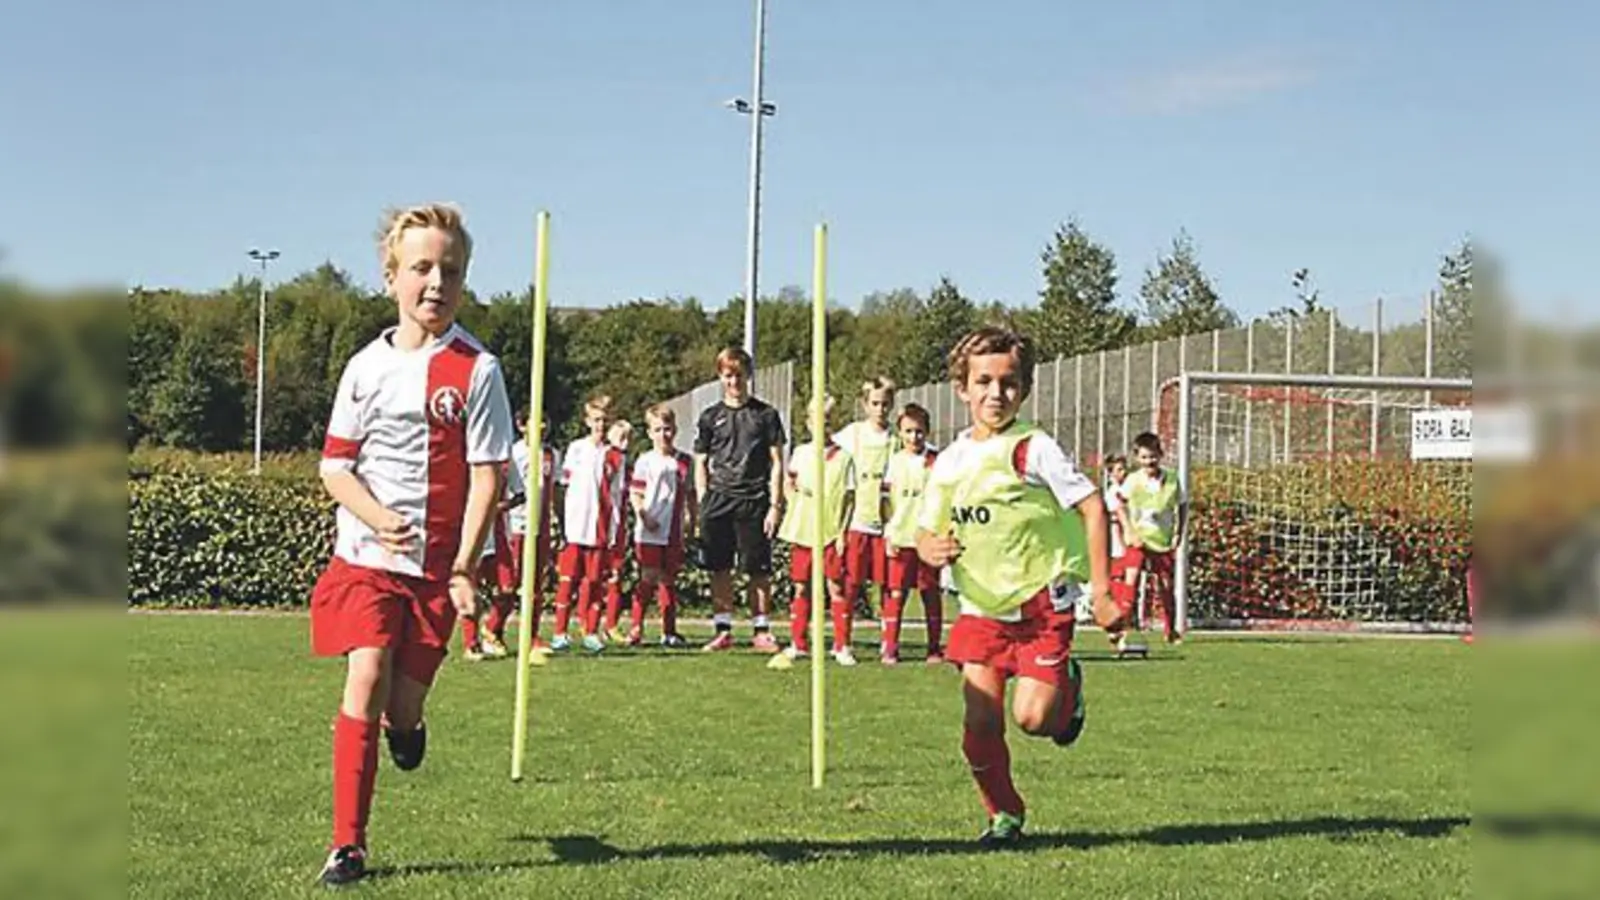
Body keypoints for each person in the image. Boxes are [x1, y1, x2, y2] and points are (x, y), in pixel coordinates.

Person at [308, 202, 513, 885]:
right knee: (364, 673)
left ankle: (408, 728)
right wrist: (375, 516)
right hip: (367, 561)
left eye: (449, 271)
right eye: (421, 268)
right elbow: (335, 467)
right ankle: (348, 845)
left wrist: (462, 563)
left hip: (435, 574)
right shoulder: (364, 369)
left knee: (402, 703)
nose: (436, 283)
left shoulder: (478, 371)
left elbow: (488, 477)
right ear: (391, 277)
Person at [915, 325, 1113, 848]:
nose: (995, 393)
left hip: (1041, 606)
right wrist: (927, 547)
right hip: (981, 609)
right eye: (983, 381)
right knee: (980, 717)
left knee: (1032, 719)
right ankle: (1004, 813)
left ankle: (1066, 686)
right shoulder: (950, 460)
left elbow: (1092, 507)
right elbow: (925, 528)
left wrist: (1104, 590)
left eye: (1008, 382)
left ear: (1022, 389)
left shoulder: (1034, 448)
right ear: (962, 388)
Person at [693, 347, 787, 652]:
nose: (734, 381)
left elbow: (777, 462)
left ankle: (761, 630)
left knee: (758, 569)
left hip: (754, 500)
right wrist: (703, 502)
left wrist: (775, 505)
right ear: (721, 376)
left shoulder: (766, 415)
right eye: (728, 375)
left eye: (739, 375)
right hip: (719, 499)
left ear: (748, 375)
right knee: (719, 567)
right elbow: (700, 463)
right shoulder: (710, 417)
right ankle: (723, 629)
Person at [770, 394, 858, 668]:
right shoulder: (800, 453)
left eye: (829, 420)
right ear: (808, 423)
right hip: (803, 531)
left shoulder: (844, 458)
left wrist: (842, 532)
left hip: (830, 533)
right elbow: (789, 482)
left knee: (835, 588)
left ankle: (842, 645)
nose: (823, 425)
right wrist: (793, 494)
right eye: (818, 420)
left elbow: (849, 498)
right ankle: (799, 643)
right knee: (800, 587)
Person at [552, 396, 626, 654]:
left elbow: (617, 494)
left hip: (600, 529)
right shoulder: (576, 449)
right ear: (587, 421)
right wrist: (561, 521)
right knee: (567, 580)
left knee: (594, 582)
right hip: (575, 526)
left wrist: (615, 530)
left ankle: (591, 631)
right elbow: (563, 486)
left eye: (605, 421)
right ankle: (559, 632)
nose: (600, 425)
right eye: (596, 420)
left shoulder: (615, 455)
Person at [882, 402, 945, 665]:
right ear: (900, 433)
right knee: (896, 594)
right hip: (901, 537)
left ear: (927, 432)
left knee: (930, 593)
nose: (913, 437)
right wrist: (888, 534)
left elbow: (945, 499)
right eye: (908, 431)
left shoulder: (936, 462)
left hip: (927, 539)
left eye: (919, 431)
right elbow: (886, 501)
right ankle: (890, 648)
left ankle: (933, 649)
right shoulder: (895, 462)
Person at [628, 405, 696, 647]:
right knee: (648, 577)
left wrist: (692, 521)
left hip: (673, 531)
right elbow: (636, 493)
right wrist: (644, 515)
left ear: (675, 430)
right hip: (649, 531)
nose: (663, 434)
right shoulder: (645, 460)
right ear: (649, 433)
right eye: (657, 429)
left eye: (667, 429)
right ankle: (636, 627)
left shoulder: (685, 461)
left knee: (669, 579)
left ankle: (669, 631)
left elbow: (690, 495)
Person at [834, 378, 897, 623]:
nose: (880, 409)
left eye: (885, 404)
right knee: (851, 582)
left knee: (888, 584)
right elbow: (828, 450)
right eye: (875, 403)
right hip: (858, 521)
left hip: (887, 523)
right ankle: (843, 642)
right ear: (865, 404)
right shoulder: (853, 434)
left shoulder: (896, 438)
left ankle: (888, 641)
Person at [1120, 431, 1187, 644]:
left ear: (1161, 455)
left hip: (1162, 541)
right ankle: (1123, 628)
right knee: (1131, 580)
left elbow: (1182, 505)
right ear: (1137, 458)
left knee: (1166, 585)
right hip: (1138, 540)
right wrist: (1128, 530)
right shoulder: (1133, 480)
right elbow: (1119, 504)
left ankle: (1170, 629)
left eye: (1153, 456)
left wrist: (1179, 532)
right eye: (1144, 457)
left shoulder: (1173, 480)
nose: (1149, 461)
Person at [1100, 455, 1148, 657]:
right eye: (1118, 470)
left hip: (1132, 545)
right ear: (1110, 474)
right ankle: (1118, 631)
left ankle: (1124, 632)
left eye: (1124, 468)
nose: (1123, 473)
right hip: (1116, 547)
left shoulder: (1132, 489)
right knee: (1118, 590)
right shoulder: (1112, 494)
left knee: (1130, 587)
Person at [601, 418, 635, 641]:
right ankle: (591, 623)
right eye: (621, 436)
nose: (626, 441)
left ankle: (611, 624)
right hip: (606, 522)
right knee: (601, 574)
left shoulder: (624, 460)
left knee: (616, 572)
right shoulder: (609, 457)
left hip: (619, 522)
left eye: (629, 437)